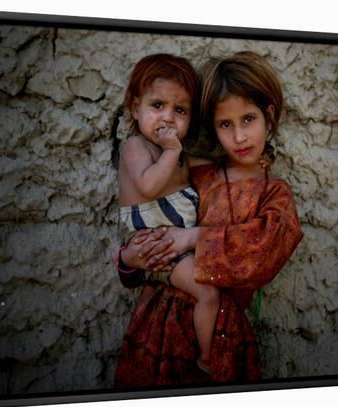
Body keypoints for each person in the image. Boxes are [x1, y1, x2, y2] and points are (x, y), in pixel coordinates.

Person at [115, 51, 304, 387]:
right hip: (155, 329)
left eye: (249, 119)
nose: (240, 137)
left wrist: (192, 237)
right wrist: (128, 259)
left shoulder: (273, 194)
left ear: (269, 116)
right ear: (212, 127)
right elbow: (139, 259)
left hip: (219, 334)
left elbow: (263, 251)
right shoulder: (194, 174)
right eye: (225, 124)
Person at [117, 53, 220, 374]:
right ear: (136, 109)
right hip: (158, 248)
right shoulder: (136, 146)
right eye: (157, 105)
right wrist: (173, 150)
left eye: (180, 110)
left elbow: (212, 169)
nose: (168, 118)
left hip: (172, 247)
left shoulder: (179, 156)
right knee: (208, 292)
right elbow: (147, 185)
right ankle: (207, 358)